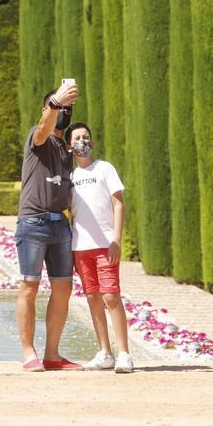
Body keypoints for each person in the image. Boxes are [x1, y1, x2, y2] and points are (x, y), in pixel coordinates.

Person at [15, 79, 80, 371]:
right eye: (58, 106)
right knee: (29, 286)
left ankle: (52, 354)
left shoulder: (66, 152)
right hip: (34, 221)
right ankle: (29, 353)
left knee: (63, 288)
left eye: (68, 107)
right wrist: (56, 101)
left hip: (59, 224)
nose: (63, 111)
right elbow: (44, 129)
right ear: (46, 108)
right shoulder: (37, 137)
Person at [67, 123, 133, 373]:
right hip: (80, 247)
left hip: (106, 246)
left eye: (86, 137)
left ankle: (124, 353)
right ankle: (105, 352)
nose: (82, 141)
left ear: (92, 143)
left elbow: (118, 204)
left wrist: (116, 239)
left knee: (111, 296)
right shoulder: (70, 177)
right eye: (77, 138)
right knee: (93, 297)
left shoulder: (105, 169)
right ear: (70, 146)